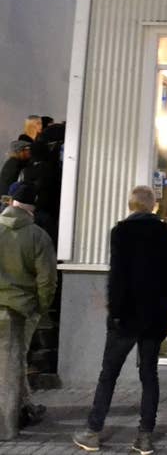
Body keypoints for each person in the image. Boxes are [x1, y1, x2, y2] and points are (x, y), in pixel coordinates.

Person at [73, 186, 167, 455]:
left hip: (126, 317)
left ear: (131, 205)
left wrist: (116, 313)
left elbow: (117, 277)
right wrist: (166, 316)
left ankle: (93, 432)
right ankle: (144, 437)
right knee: (149, 375)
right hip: (154, 318)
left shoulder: (122, 233)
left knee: (108, 375)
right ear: (153, 206)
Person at [0, 183, 57, 441]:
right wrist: (40, 308)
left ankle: (26, 409)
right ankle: (6, 428)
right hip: (16, 311)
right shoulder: (38, 236)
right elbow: (47, 280)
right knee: (9, 371)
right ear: (32, 208)